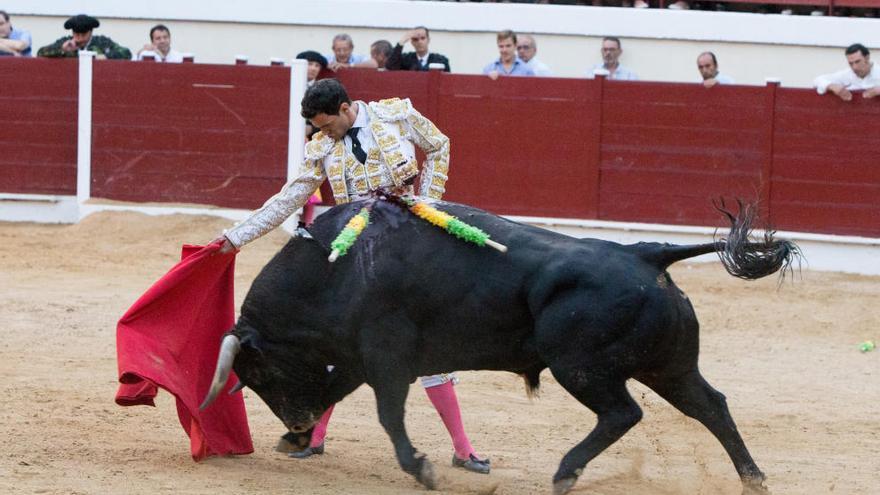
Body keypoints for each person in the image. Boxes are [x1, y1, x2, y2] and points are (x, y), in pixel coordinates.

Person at [215, 79, 489, 474]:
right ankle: (314, 437)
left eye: (327, 126)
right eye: (318, 129)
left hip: (410, 245)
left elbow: (439, 144)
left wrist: (428, 202)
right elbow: (289, 197)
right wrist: (234, 238)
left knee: (423, 342)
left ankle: (463, 449)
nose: (323, 135)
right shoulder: (322, 147)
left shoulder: (395, 114)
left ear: (345, 108)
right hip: (360, 256)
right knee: (342, 345)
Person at [37, 14, 131, 59]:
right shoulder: (66, 42)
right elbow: (40, 53)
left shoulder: (101, 42)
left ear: (90, 32)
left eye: (83, 34)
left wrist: (105, 56)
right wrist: (62, 49)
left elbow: (126, 53)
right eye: (77, 34)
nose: (80, 38)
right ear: (72, 32)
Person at [814, 43, 880, 101]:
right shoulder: (847, 74)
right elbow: (817, 80)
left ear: (867, 58)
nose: (854, 67)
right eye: (851, 63)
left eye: (857, 62)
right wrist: (831, 86)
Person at [385, 26, 451, 72]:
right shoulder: (406, 59)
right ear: (412, 42)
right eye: (416, 39)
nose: (419, 42)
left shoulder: (440, 60)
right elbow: (390, 66)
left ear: (428, 40)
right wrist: (401, 42)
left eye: (423, 38)